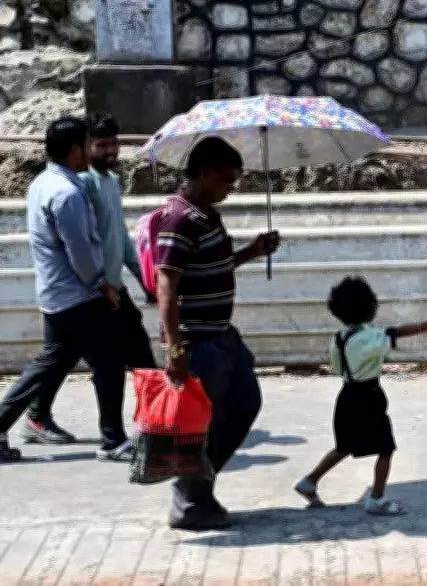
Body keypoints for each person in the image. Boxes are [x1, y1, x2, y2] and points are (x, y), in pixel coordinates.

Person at [156, 136, 280, 531]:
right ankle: (190, 500)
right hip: (198, 341)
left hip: (222, 335)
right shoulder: (179, 218)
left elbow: (217, 264)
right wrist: (175, 349)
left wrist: (253, 251)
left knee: (244, 404)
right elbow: (166, 287)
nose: (231, 187)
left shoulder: (206, 214)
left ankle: (200, 486)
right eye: (227, 179)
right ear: (204, 172)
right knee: (201, 422)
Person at [23, 112, 157, 446]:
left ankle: (156, 419)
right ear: (82, 148)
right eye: (99, 144)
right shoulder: (79, 186)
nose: (109, 150)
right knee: (84, 361)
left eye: (114, 143)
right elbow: (79, 245)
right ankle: (124, 433)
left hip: (109, 287)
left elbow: (120, 239)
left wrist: (144, 279)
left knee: (132, 353)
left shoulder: (110, 181)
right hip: (94, 291)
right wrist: (99, 283)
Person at [0, 117, 130, 463]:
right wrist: (102, 284)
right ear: (74, 150)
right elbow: (80, 251)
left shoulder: (44, 182)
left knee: (49, 365)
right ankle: (113, 440)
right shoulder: (67, 193)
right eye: (88, 144)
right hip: (78, 296)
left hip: (58, 294)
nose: (92, 150)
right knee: (109, 365)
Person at [295, 276, 427, 516]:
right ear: (370, 307)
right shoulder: (371, 337)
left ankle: (309, 482)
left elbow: (337, 369)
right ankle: (376, 499)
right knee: (385, 448)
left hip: (346, 395)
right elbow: (397, 333)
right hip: (368, 397)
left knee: (345, 445)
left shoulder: (337, 338)